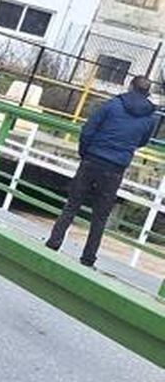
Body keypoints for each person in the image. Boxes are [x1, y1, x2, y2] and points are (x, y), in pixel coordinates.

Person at [46, 73, 159, 267]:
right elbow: (142, 141)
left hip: (93, 159)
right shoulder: (151, 118)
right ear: (147, 93)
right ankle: (88, 257)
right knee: (101, 215)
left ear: (130, 87)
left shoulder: (112, 105)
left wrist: (85, 153)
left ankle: (54, 242)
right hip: (116, 167)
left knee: (72, 204)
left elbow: (88, 130)